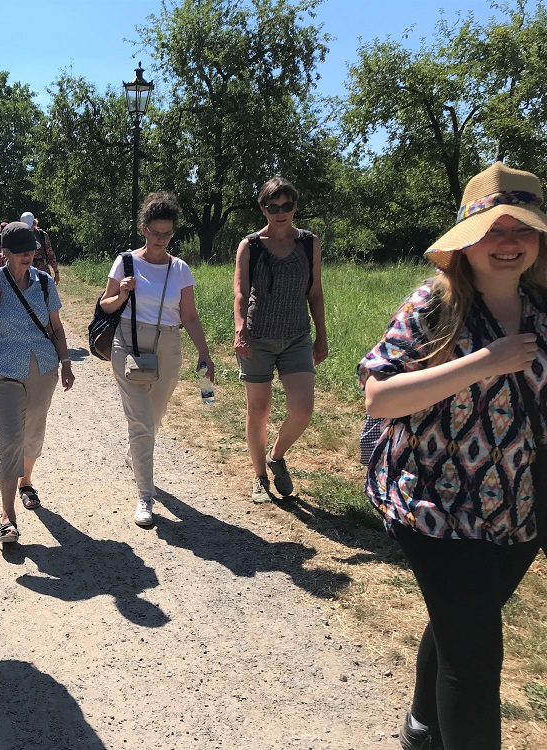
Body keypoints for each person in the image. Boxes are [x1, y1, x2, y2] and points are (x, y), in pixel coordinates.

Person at [359, 162, 547, 750]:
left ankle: (420, 725)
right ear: (467, 240)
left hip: (518, 507)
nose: (508, 242)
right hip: (431, 502)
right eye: (494, 229)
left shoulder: (544, 311)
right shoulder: (432, 308)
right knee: (474, 660)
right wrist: (486, 360)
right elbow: (379, 397)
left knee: (465, 620)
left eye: (523, 229)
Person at [98, 191, 214, 527]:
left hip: (168, 345)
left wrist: (205, 354)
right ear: (143, 228)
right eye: (155, 232)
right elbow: (105, 305)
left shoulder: (180, 269)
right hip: (128, 343)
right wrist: (122, 293)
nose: (161, 240)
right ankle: (145, 497)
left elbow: (189, 316)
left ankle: (137, 455)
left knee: (154, 416)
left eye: (167, 234)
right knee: (141, 420)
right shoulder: (125, 262)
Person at [0, 222, 75, 542]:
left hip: (43, 368)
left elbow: (56, 327)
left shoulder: (44, 284)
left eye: (32, 250)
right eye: (21, 252)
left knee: (33, 433)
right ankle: (8, 516)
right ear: (4, 253)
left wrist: (67, 363)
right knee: (11, 440)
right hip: (2, 368)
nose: (29, 256)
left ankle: (25, 483)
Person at [233, 177, 327, 504]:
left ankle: (277, 455)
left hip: (297, 337)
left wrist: (321, 337)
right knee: (258, 410)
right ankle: (260, 477)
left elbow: (314, 293)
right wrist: (240, 329)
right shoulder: (251, 246)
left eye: (287, 206)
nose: (280, 212)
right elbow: (241, 292)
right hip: (256, 338)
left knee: (302, 410)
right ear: (263, 209)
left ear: (295, 207)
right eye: (273, 207)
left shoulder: (308, 243)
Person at [20, 211, 60, 285]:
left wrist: (56, 272)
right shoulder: (18, 238)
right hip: (25, 275)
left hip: (43, 272)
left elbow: (50, 254)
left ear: (34, 222)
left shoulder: (42, 235)